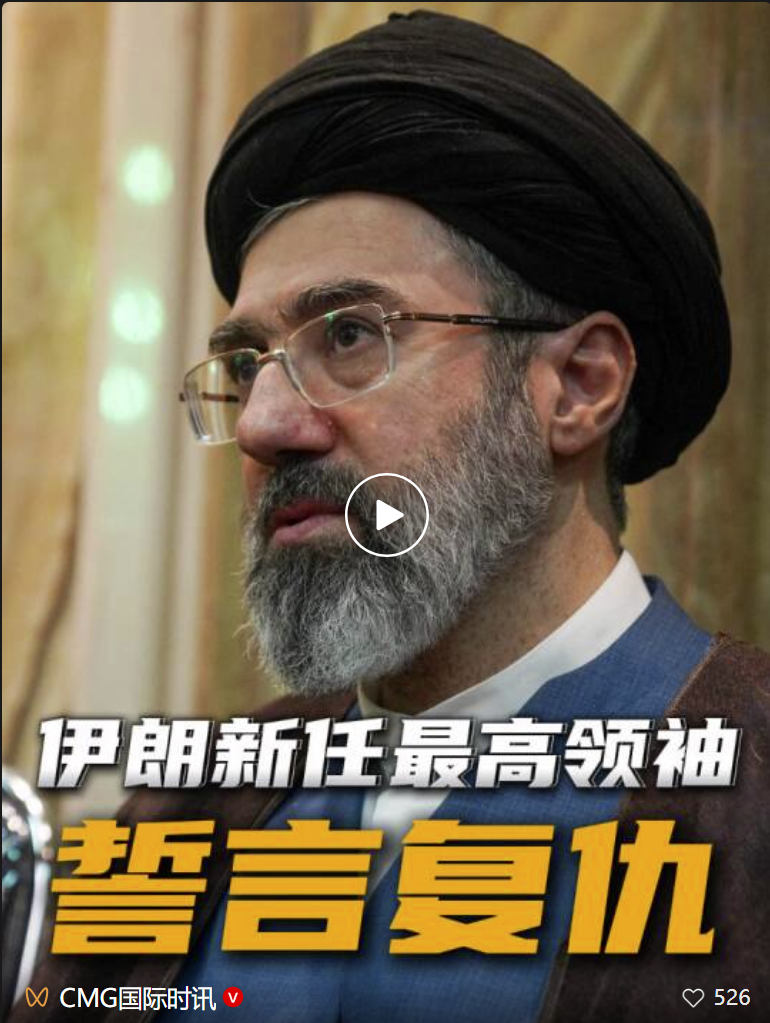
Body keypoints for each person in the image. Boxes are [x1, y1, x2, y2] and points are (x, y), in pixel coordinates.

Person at [12, 11, 768, 1023]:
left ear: (579, 385)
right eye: (245, 365)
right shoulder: (179, 818)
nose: (264, 425)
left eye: (350, 336)